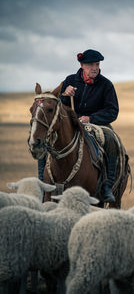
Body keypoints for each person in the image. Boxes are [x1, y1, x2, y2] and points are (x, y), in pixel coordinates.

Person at [39, 49, 119, 202]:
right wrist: (64, 95)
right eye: (90, 65)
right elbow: (57, 106)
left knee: (111, 139)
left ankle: (107, 185)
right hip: (71, 124)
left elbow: (112, 111)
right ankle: (42, 182)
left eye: (97, 64)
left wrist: (91, 118)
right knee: (45, 139)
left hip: (97, 125)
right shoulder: (70, 80)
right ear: (82, 65)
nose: (94, 68)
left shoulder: (106, 85)